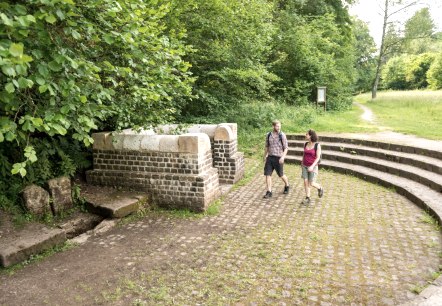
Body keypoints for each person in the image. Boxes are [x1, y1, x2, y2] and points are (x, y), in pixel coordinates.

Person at [263, 120, 290, 198]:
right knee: (268, 174)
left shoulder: (282, 135)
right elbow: (267, 146)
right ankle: (269, 191)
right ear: (273, 126)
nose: (279, 128)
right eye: (277, 126)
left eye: (279, 126)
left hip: (279, 158)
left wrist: (283, 157)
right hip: (270, 157)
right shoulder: (268, 135)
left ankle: (287, 185)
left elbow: (286, 148)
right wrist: (264, 156)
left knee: (281, 175)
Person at [301, 129, 324, 204]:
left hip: (313, 166)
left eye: (307, 134)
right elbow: (304, 154)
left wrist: (312, 166)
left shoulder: (317, 145)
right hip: (304, 165)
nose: (305, 135)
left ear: (311, 136)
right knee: (305, 181)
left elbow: (318, 157)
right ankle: (308, 198)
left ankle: (320, 188)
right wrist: (302, 162)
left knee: (311, 183)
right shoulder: (305, 144)